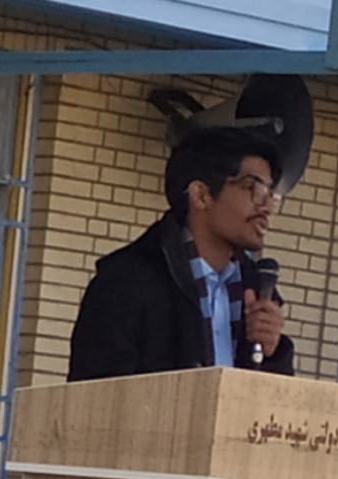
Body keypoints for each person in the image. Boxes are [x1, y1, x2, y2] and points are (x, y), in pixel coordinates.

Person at [69, 121, 294, 380]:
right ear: (201, 195)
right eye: (252, 188)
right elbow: (94, 394)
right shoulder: (126, 283)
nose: (266, 207)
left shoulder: (256, 290)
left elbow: (275, 402)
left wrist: (272, 352)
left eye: (271, 194)